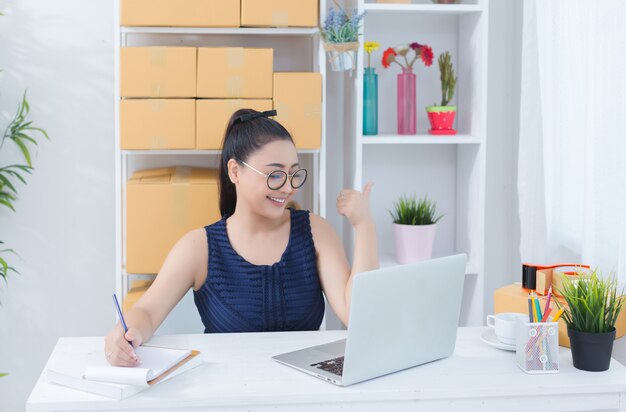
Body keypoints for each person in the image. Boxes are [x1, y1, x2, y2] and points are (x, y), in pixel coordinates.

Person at [105, 109, 378, 366]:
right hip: (228, 393)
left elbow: (359, 314)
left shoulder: (316, 232)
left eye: (294, 174)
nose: (288, 187)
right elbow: (148, 311)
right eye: (275, 175)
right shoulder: (199, 247)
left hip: (301, 394)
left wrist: (364, 225)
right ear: (235, 171)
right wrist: (125, 334)